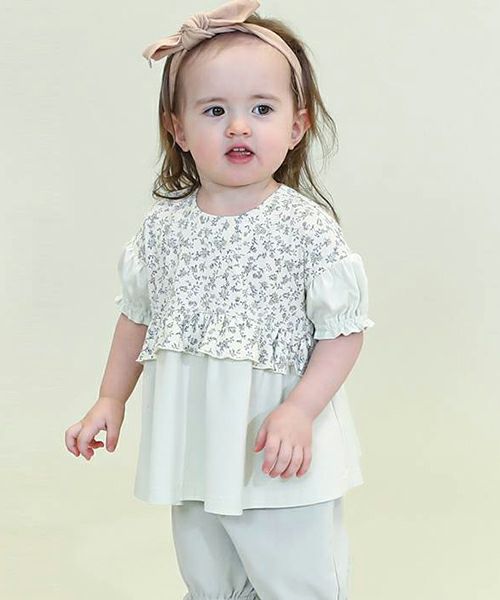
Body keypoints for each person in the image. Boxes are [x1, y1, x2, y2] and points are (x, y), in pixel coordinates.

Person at [64, 0, 375, 597]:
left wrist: (300, 410)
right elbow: (137, 320)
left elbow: (343, 331)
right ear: (179, 130)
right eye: (215, 110)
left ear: (297, 125)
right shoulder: (162, 230)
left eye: (262, 109)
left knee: (295, 573)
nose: (239, 127)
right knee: (209, 575)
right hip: (196, 442)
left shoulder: (305, 229)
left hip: (274, 443)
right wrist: (110, 397)